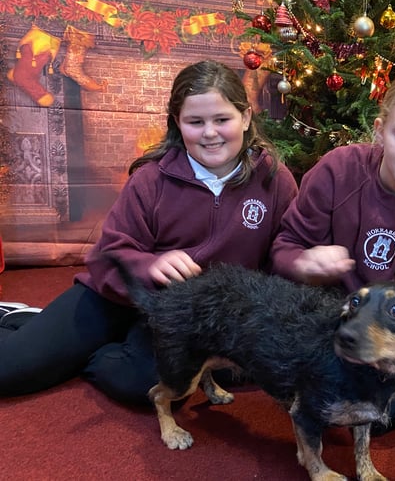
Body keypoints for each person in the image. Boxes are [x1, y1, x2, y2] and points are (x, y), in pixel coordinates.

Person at [0, 60, 298, 404]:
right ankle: (25, 319)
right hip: (116, 297)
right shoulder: (151, 178)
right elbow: (106, 255)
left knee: (155, 386)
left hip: (191, 317)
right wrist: (150, 265)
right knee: (9, 372)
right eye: (195, 122)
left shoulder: (275, 181)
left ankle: (92, 353)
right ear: (177, 123)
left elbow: (282, 256)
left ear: (245, 118)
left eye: (222, 120)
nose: (210, 133)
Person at [270, 68, 395, 433]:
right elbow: (285, 248)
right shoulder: (338, 170)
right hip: (328, 315)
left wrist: (381, 344)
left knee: (386, 410)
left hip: (388, 328)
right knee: (310, 387)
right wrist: (304, 263)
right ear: (380, 130)